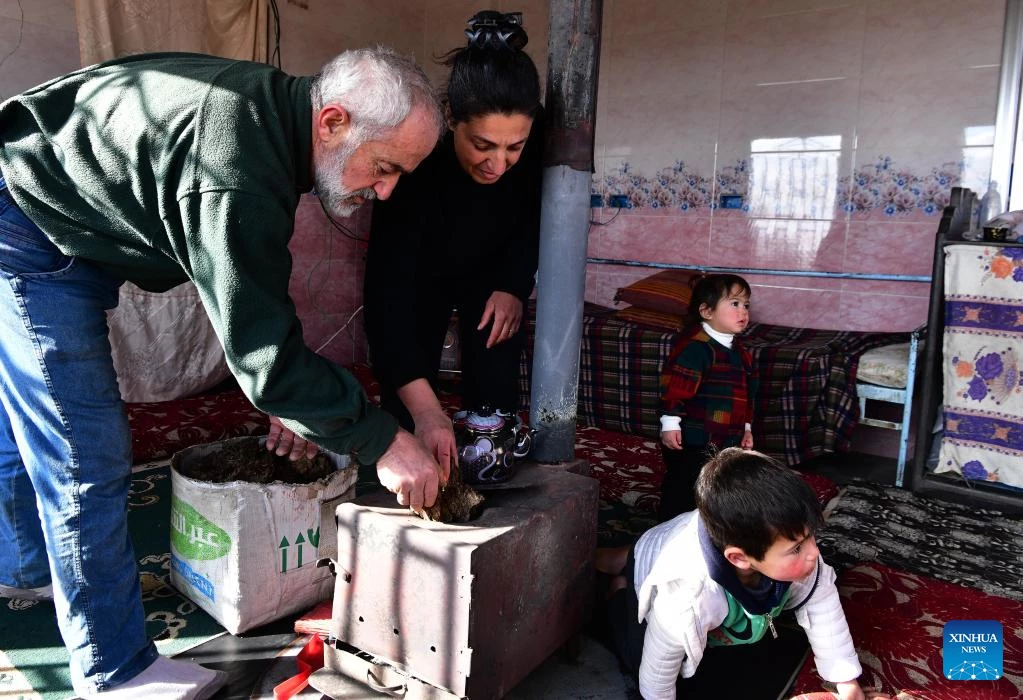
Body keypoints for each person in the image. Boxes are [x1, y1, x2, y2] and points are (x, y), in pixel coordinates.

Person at [0, 48, 447, 699]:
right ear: (332, 121)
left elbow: (251, 304)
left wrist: (285, 390)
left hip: (39, 196)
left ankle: (22, 566)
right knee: (80, 447)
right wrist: (384, 440)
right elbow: (264, 355)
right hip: (26, 217)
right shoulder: (237, 166)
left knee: (24, 414)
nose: (385, 191)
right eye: (383, 168)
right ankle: (113, 668)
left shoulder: (272, 115)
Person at [363, 10, 543, 473]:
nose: (498, 164)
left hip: (493, 268)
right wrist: (426, 413)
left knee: (496, 333)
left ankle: (489, 449)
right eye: (482, 145)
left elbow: (531, 219)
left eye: (514, 148)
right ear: (449, 119)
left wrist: (513, 285)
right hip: (422, 268)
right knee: (408, 370)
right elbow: (389, 300)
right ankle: (407, 453)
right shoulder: (416, 160)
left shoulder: (533, 141)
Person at [597, 448, 880, 700]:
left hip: (679, 537)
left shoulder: (792, 559)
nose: (814, 553)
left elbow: (824, 610)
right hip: (655, 563)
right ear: (740, 558)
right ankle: (620, 586)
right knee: (637, 656)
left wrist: (846, 681)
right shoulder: (685, 595)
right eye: (796, 548)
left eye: (811, 537)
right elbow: (657, 673)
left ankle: (624, 555)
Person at [657, 273, 758, 521]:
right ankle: (668, 531)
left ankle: (707, 530)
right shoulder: (696, 348)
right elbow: (675, 389)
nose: (742, 311)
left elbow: (746, 395)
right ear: (706, 311)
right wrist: (670, 423)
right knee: (684, 488)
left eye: (746, 305)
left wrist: (746, 428)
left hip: (726, 437)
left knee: (718, 488)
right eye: (734, 303)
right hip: (693, 439)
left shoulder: (741, 353)